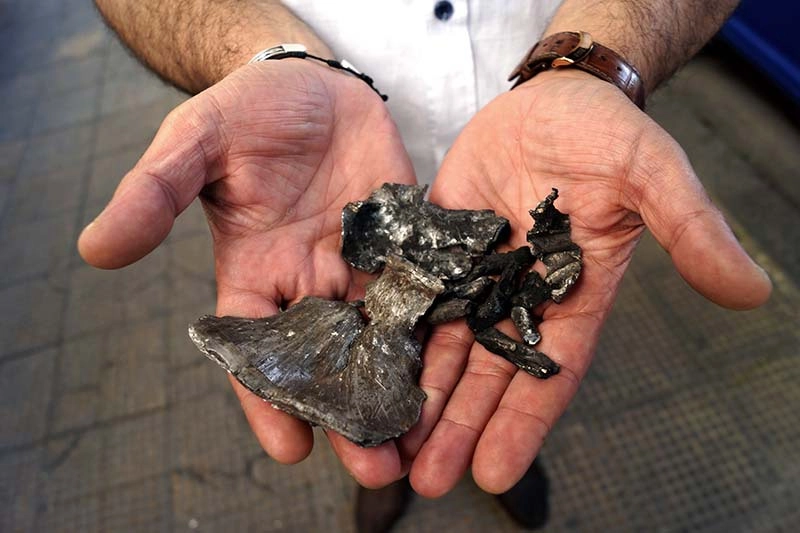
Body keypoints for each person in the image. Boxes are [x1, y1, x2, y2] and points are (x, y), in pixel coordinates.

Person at [81, 0, 772, 530]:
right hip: (323, 160)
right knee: (383, 396)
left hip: (541, 136)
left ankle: (502, 459)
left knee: (503, 387)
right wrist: (271, 57)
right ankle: (378, 468)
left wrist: (594, 63)